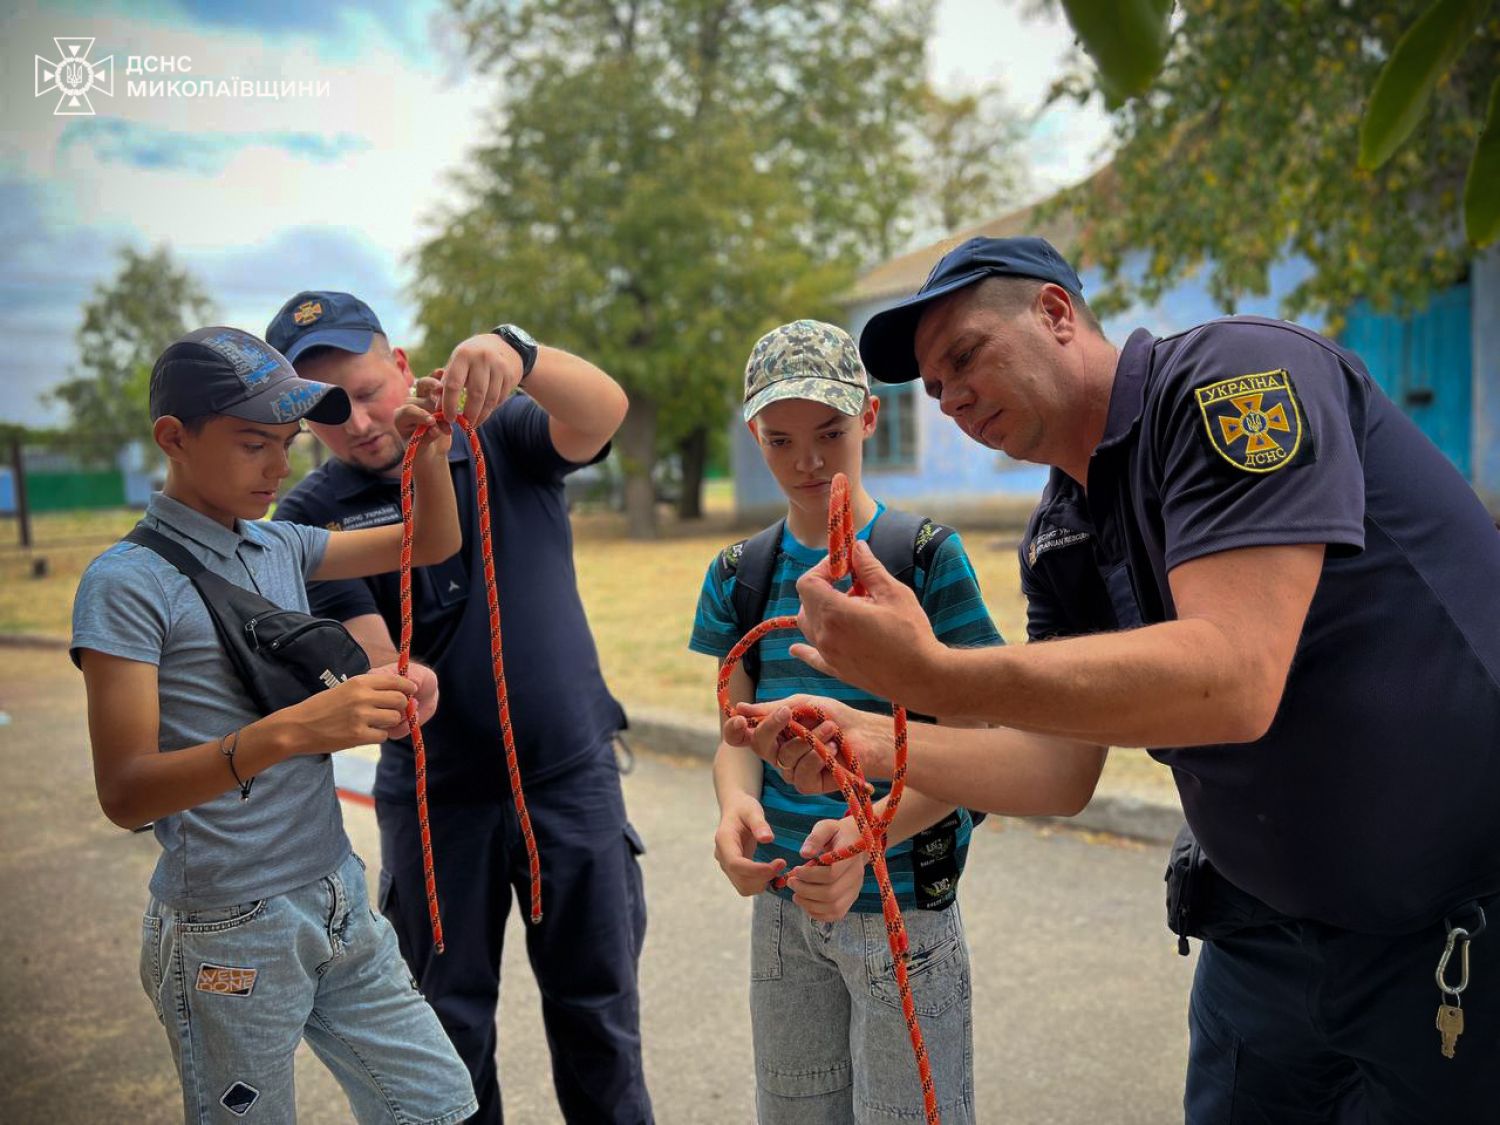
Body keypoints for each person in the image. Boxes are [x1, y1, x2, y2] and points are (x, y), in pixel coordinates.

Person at [730, 236, 1500, 1121]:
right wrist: (861, 741)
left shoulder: (1234, 377)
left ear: (1058, 314)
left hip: (1446, 924)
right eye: (934, 389)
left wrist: (935, 672)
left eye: (966, 356)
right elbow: (1057, 772)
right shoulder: (1062, 533)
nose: (951, 400)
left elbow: (1237, 676)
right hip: (1262, 936)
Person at [71, 326, 477, 1124]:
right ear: (173, 438)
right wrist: (293, 729)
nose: (279, 466)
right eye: (254, 443)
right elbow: (125, 793)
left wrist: (427, 452)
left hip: (334, 890)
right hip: (227, 923)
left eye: (288, 443)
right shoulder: (125, 583)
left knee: (439, 1104)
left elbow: (431, 540)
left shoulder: (279, 542)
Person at [265, 292, 649, 1124]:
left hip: (571, 778)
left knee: (600, 1018)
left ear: (401, 364)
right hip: (439, 803)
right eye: (326, 409)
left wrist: (520, 351)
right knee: (447, 1029)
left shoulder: (503, 433)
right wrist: (391, 679)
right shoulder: (308, 517)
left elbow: (603, 411)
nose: (358, 420)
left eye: (367, 389)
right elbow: (364, 647)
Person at [692, 319, 1081, 1122]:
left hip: (904, 907)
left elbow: (977, 749)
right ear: (753, 436)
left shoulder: (925, 558)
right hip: (785, 902)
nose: (808, 460)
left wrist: (872, 836)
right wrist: (736, 805)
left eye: (831, 432)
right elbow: (734, 728)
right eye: (780, 439)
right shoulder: (740, 572)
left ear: (870, 417)